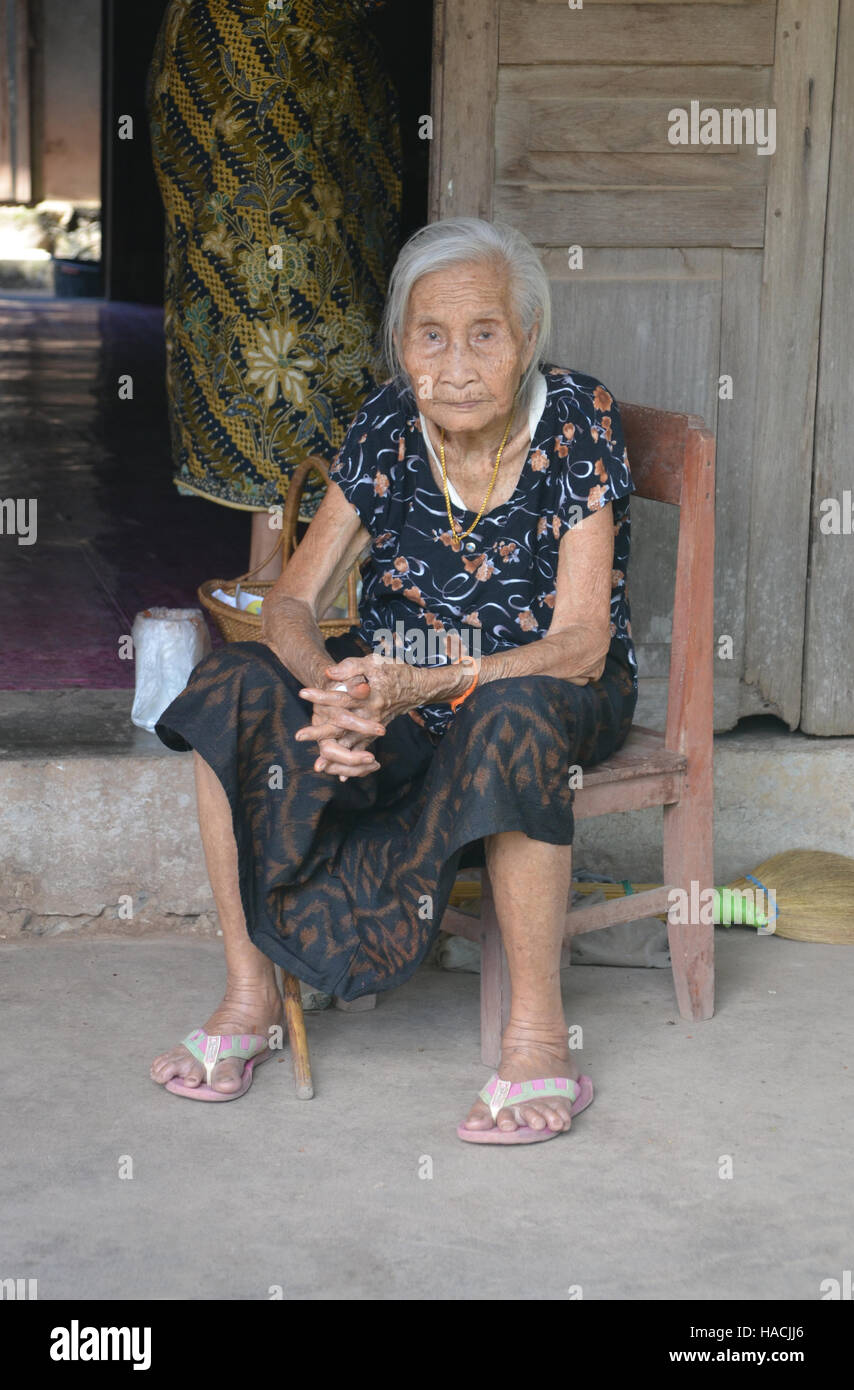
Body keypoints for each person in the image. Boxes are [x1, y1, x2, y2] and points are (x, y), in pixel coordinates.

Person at [150, 217, 639, 1145]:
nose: (454, 364)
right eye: (430, 336)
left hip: (543, 687)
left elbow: (579, 640)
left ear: (527, 339)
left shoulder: (577, 417)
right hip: (395, 692)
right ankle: (248, 994)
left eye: (483, 334)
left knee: (512, 712)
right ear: (402, 346)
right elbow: (289, 605)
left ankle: (537, 1042)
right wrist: (334, 687)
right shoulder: (386, 422)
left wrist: (434, 683)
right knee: (234, 687)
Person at [145, 0, 401, 577]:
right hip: (261, 104)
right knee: (288, 350)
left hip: (274, 96)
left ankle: (294, 591)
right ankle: (279, 595)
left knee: (295, 340)